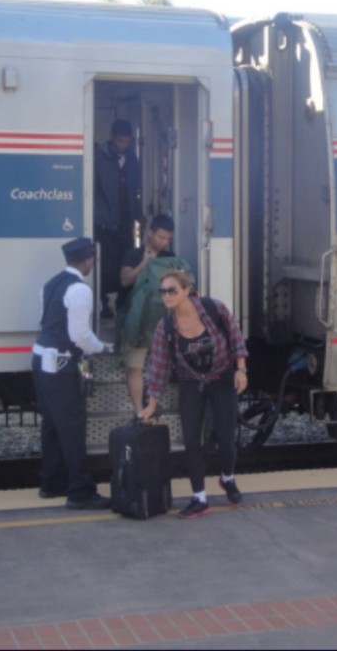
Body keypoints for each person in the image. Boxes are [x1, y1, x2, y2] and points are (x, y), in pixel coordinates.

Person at [140, 269, 249, 519]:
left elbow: (235, 337)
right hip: (191, 384)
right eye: (163, 292)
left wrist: (241, 370)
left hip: (222, 377)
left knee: (226, 437)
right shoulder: (165, 326)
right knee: (191, 440)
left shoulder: (213, 308)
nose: (166, 296)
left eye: (172, 291)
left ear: (186, 290)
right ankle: (199, 497)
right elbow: (158, 365)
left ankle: (227, 478)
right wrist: (151, 403)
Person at [32, 236, 112, 509]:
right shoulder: (80, 289)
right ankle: (80, 491)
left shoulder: (50, 284)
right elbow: (79, 335)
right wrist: (102, 348)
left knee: (52, 425)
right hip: (62, 363)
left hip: (41, 359)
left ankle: (51, 484)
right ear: (88, 260)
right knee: (72, 427)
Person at [117, 213, 183, 415]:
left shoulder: (171, 258)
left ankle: (152, 404)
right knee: (134, 368)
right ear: (150, 233)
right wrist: (145, 263)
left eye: (168, 239)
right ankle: (139, 413)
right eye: (161, 237)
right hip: (136, 322)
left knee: (160, 368)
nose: (164, 242)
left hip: (161, 322)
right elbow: (124, 281)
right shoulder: (133, 255)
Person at [94, 118, 142, 319]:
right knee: (104, 264)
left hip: (126, 222)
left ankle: (123, 303)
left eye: (127, 142)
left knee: (127, 262)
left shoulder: (133, 160)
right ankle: (103, 304)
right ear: (112, 138)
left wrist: (138, 216)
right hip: (104, 222)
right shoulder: (99, 157)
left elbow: (136, 191)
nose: (124, 145)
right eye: (120, 141)